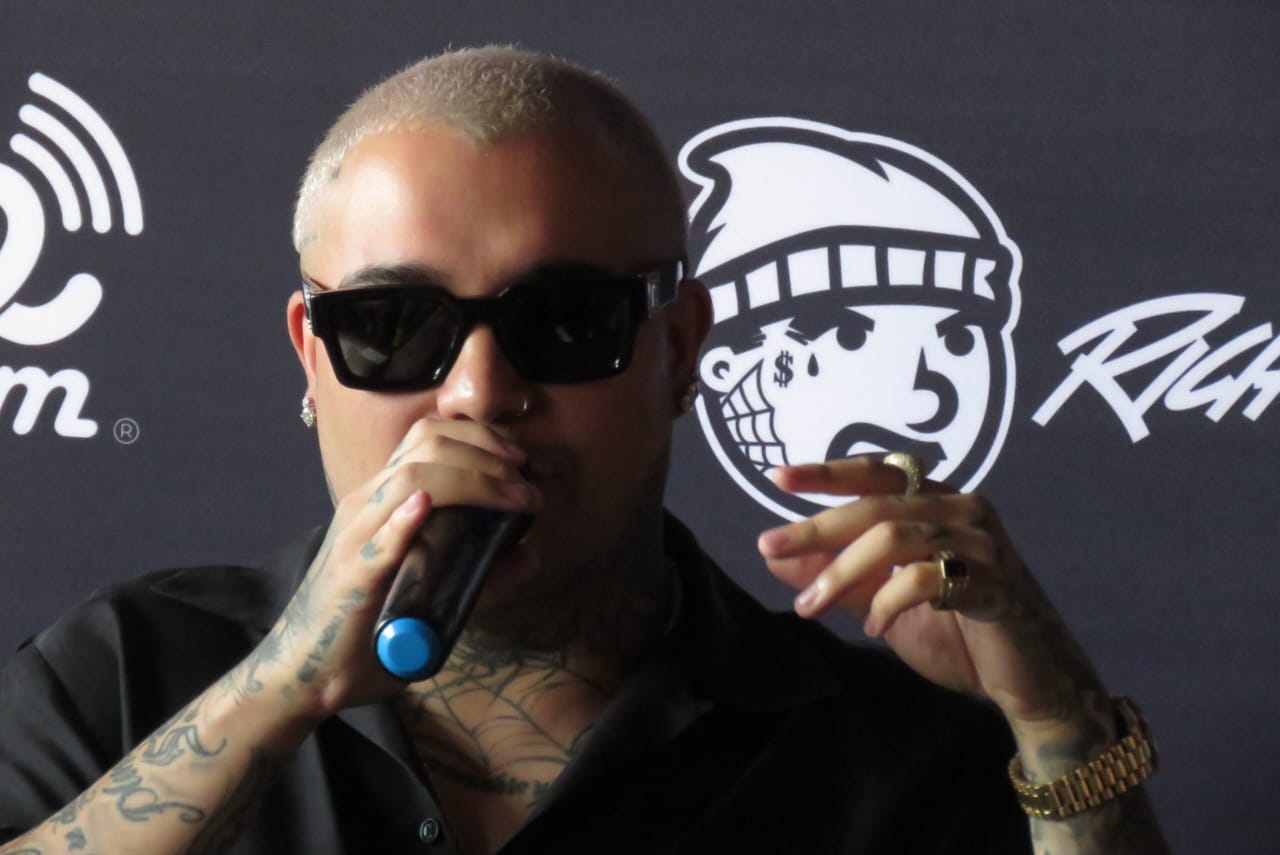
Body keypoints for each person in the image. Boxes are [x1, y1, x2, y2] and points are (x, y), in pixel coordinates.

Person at [0, 46, 1168, 854]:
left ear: (680, 349)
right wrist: (281, 688)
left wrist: (1052, 724)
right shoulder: (125, 675)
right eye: (392, 328)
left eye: (566, 323)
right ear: (313, 357)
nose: (480, 392)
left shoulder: (883, 749)